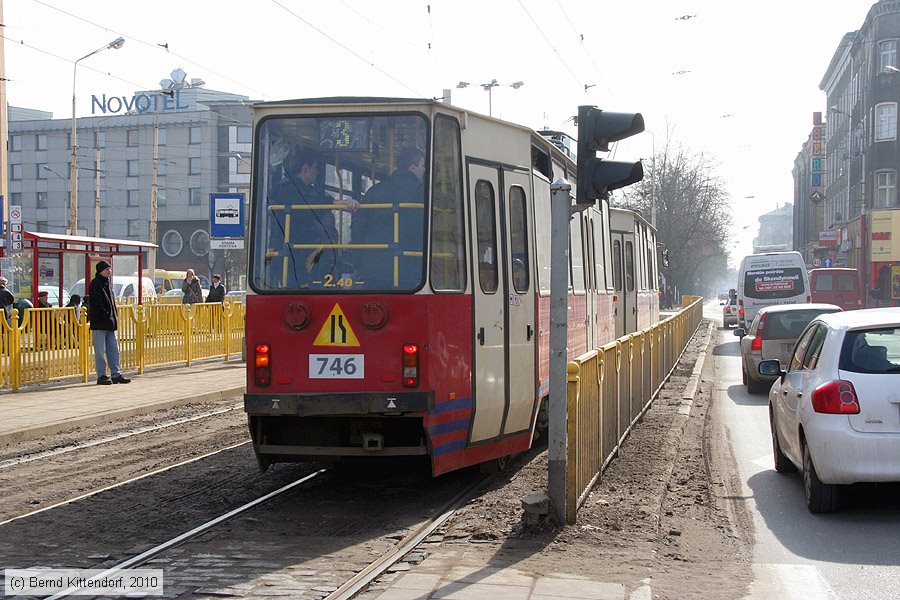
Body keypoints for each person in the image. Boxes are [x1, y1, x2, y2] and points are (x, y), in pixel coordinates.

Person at [266, 147, 358, 285]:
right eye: (315, 167)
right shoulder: (287, 190)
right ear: (305, 169)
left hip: (299, 249)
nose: (317, 171)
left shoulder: (309, 190)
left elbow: (323, 201)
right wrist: (339, 204)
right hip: (292, 250)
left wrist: (346, 204)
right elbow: (308, 207)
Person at [351, 147, 426, 285]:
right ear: (412, 168)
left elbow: (358, 228)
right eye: (423, 166)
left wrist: (358, 263)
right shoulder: (422, 193)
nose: (424, 170)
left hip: (372, 267)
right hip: (408, 269)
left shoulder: (374, 190)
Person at [88, 261, 130, 385]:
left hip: (110, 323)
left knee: (114, 350)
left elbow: (112, 304)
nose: (109, 271)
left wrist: (113, 317)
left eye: (109, 269)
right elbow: (97, 305)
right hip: (100, 324)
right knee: (100, 351)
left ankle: (116, 374)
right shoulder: (95, 285)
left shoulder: (107, 284)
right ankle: (101, 375)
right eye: (106, 269)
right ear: (100, 271)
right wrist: (106, 315)